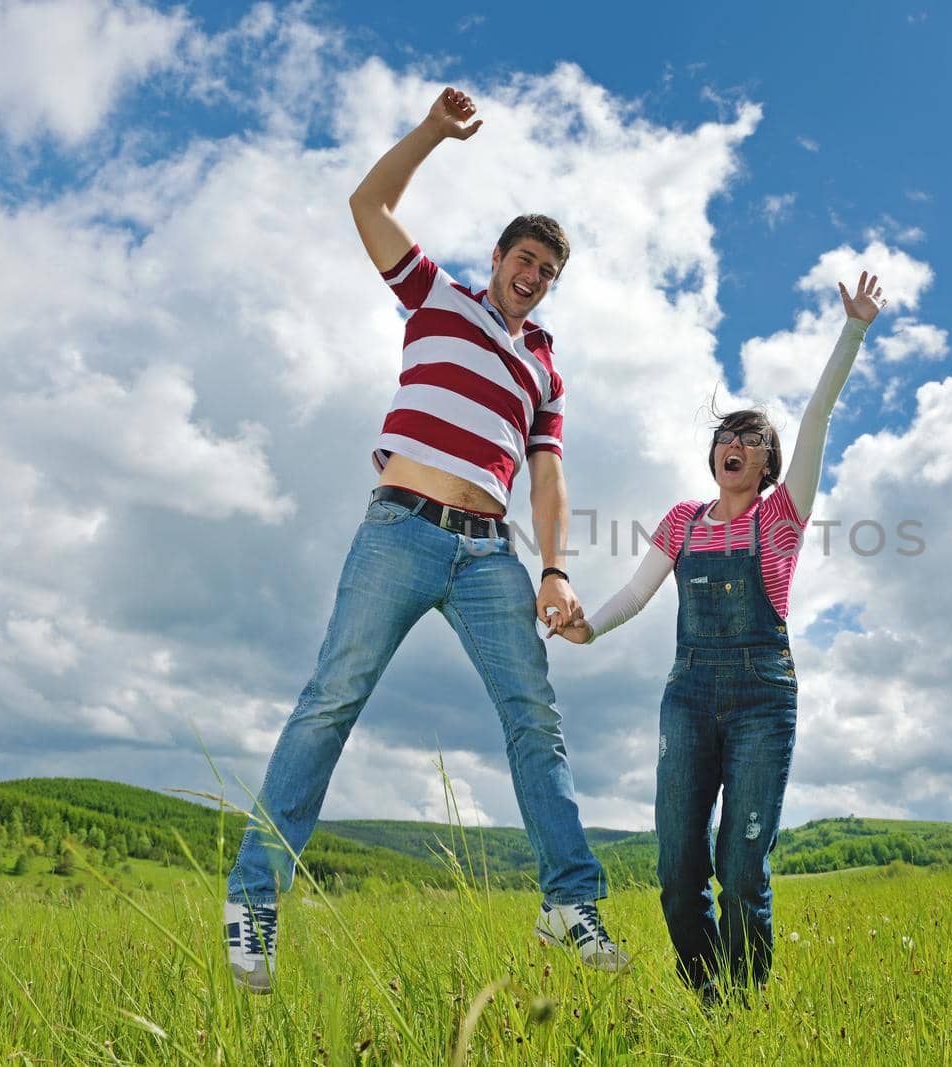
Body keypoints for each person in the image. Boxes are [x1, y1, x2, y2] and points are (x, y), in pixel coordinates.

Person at [223, 87, 628, 993]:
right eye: (525, 258)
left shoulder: (546, 367)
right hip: (401, 529)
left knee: (537, 721)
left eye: (548, 271)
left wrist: (556, 569)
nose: (533, 275)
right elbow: (368, 206)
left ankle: (568, 902)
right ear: (497, 258)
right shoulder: (435, 295)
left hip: (491, 555)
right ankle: (255, 896)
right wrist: (434, 135)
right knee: (331, 699)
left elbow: (549, 474)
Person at [550, 272, 884, 996]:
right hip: (689, 697)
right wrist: (590, 630)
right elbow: (638, 592)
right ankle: (708, 994)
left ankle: (744, 1003)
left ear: (767, 463)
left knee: (742, 869)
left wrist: (853, 328)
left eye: (750, 438)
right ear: (714, 456)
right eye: (725, 436)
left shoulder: (781, 517)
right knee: (676, 870)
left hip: (765, 698)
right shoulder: (680, 519)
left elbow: (819, 414)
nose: (734, 444)